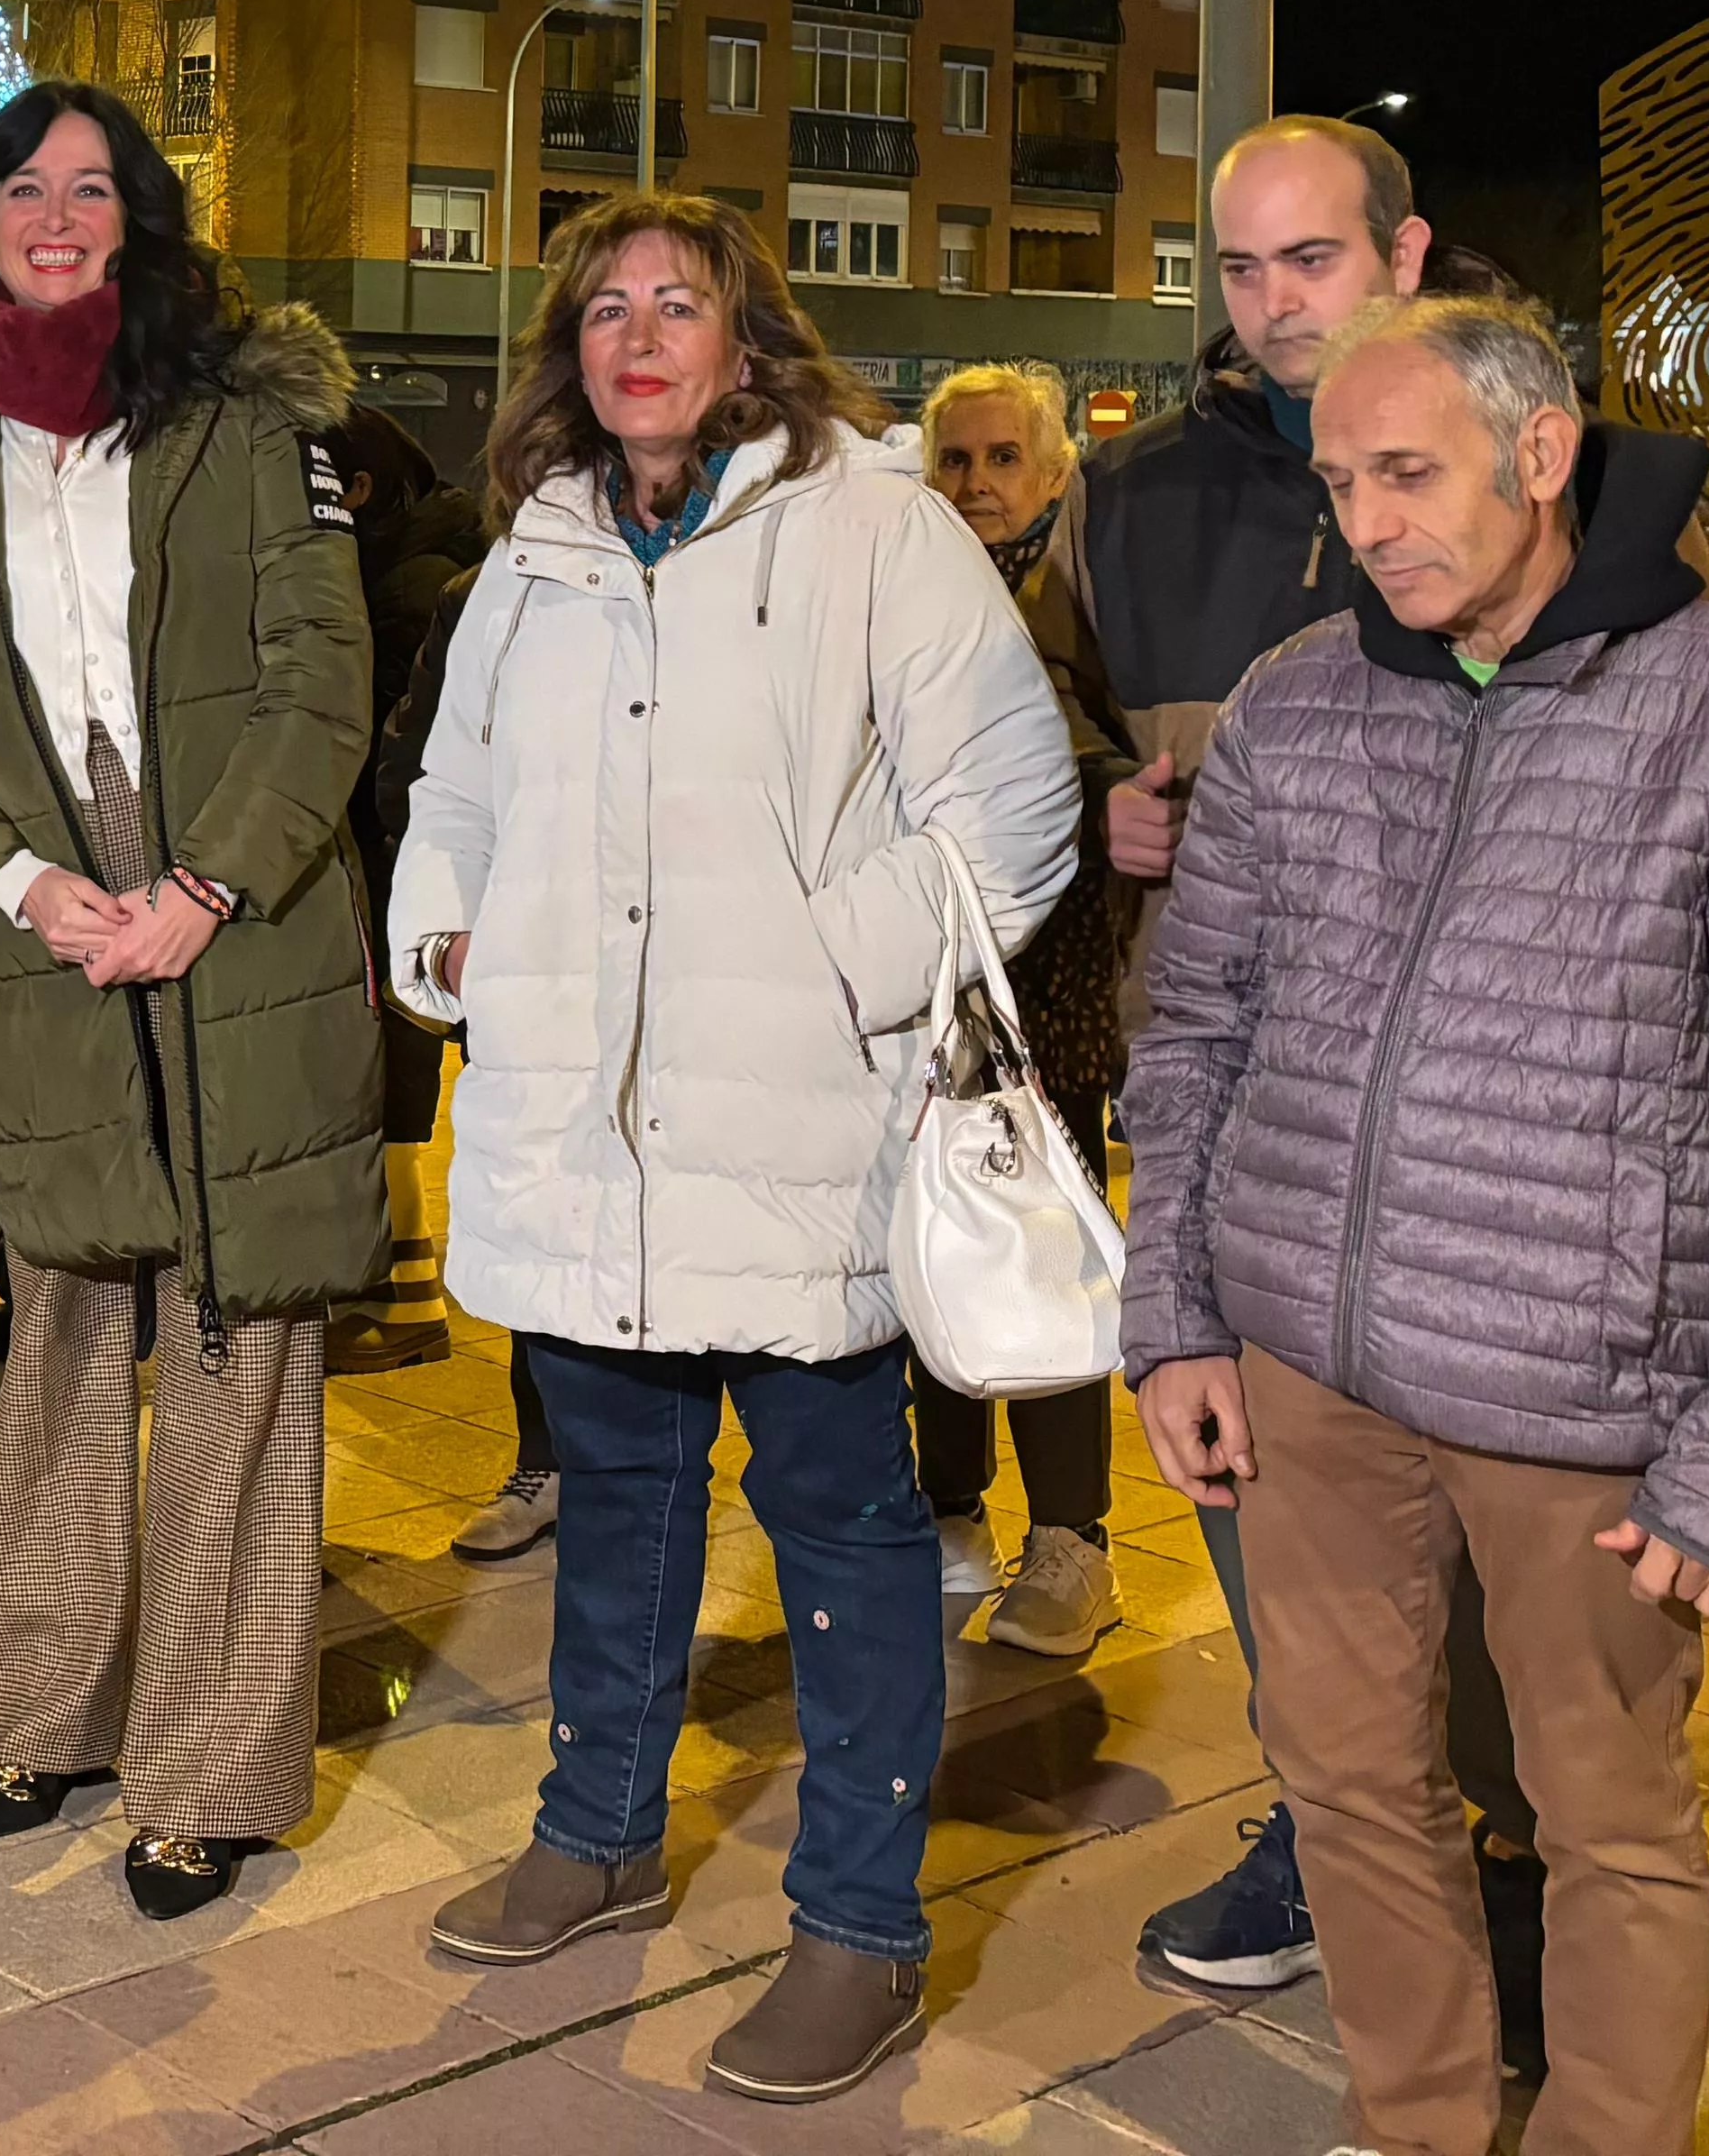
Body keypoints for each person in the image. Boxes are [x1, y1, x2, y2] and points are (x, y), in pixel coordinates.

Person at [1127, 296, 1709, 2156]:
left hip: (1583, 1411)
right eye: (1342, 483)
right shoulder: (1295, 700)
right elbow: (1197, 1029)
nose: (1369, 524)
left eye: (1407, 474)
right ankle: (1416, 2121)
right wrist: (1178, 1311)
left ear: (1539, 452)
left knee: (1604, 1828)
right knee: (1346, 1789)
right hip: (1309, 1383)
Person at [390, 193, 1077, 2103]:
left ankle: (858, 1932)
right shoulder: (533, 550)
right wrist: (448, 939)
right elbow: (451, 785)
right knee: (614, 1501)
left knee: (847, 1534)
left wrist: (822, 961)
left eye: (674, 305)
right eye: (603, 308)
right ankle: (597, 1833)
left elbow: (1010, 813)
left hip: (796, 1124)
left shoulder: (873, 526)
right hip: (577, 1132)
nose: (635, 336)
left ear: (746, 339)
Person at [0, 80, 384, 1923]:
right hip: (36, 907)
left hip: (237, 895)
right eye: (25, 187)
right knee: (64, 1333)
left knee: (237, 1337)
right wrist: (13, 881)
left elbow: (327, 676)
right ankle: (41, 1715)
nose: (55, 216)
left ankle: (213, 1771)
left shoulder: (247, 412)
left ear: (138, 218)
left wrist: (209, 884)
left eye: (91, 188)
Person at [1075, 116, 1532, 2004]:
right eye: (1240, 269)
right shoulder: (1136, 499)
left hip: (1481, 1105)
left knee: (1495, 1535)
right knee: (1268, 1504)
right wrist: (1099, 809)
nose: (1270, 308)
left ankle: (1504, 1866)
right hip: (1238, 1085)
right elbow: (1054, 719)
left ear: (1404, 252)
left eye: (1311, 264)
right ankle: (1323, 1821)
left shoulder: (1515, 459)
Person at [909, 361, 1136, 1658]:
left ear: (1054, 475)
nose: (978, 482)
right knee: (932, 1248)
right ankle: (952, 1512)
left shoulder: (1080, 600)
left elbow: (1112, 772)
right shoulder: (906, 591)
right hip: (925, 987)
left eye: (1004, 460)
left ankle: (1074, 1542)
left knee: (1040, 1253)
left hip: (1045, 991)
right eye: (957, 459)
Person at [364, 568, 563, 1564]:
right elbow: (418, 768)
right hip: (526, 974)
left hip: (692, 978)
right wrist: (452, 934)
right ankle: (544, 1461)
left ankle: (651, 1478)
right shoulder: (483, 592)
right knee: (534, 1223)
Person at [320, 402, 489, 1376]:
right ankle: (394, 1289)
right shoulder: (405, 570)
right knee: (384, 1083)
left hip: (399, 887)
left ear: (359, 492)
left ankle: (408, 1300)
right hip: (394, 881)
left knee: (390, 1084)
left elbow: (395, 759)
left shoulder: (408, 588)